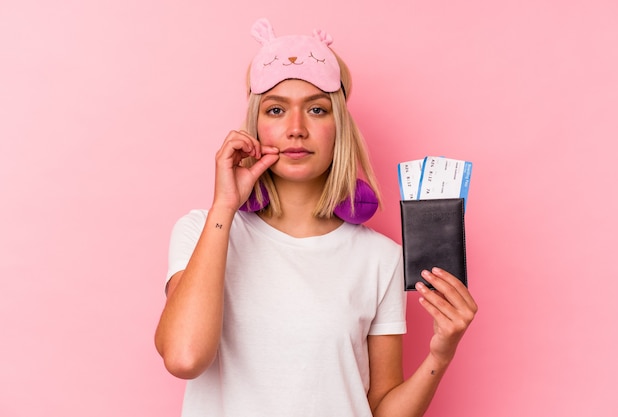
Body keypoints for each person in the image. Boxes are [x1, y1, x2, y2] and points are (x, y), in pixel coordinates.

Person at [154, 18, 477, 417]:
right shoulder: (201, 231)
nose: (296, 129)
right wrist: (224, 207)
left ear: (338, 128)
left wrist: (441, 353)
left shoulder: (380, 258)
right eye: (276, 109)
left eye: (317, 110)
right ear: (255, 125)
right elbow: (184, 357)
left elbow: (383, 410)